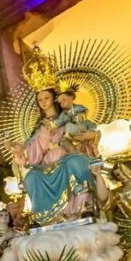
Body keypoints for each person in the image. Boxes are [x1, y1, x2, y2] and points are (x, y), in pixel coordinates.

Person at [14, 87, 99, 225]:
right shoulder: (40, 126)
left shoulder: (68, 115)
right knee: (32, 177)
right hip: (47, 165)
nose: (43, 102)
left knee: (74, 161)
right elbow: (33, 153)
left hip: (68, 156)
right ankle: (50, 218)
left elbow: (88, 128)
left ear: (54, 99)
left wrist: (93, 135)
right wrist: (21, 153)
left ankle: (83, 208)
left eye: (46, 98)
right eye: (39, 99)